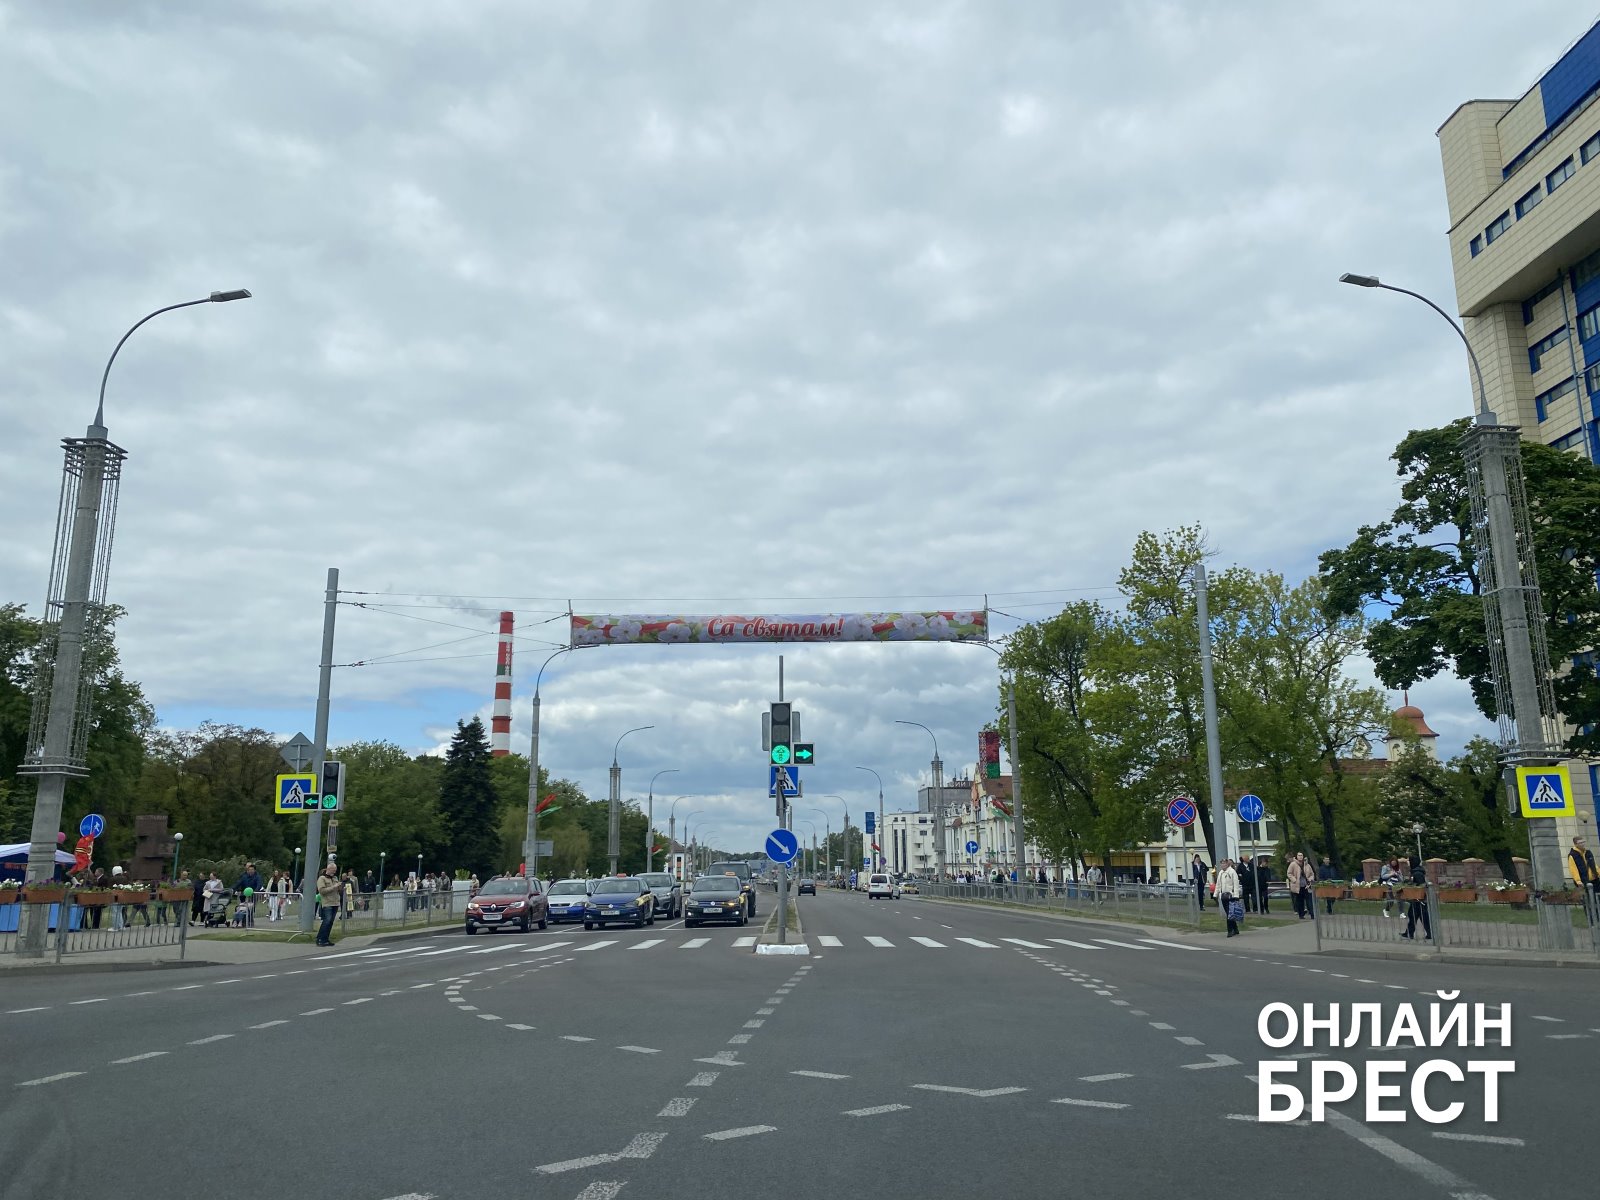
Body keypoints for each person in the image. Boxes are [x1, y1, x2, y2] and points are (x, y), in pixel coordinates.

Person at [1400, 858, 1432, 941]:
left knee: (1422, 916)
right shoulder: (1415, 872)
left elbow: (1421, 885)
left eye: (1409, 862)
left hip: (1419, 899)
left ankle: (1429, 933)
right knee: (1413, 915)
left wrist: (1411, 886)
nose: (1408, 863)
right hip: (1416, 898)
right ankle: (1409, 933)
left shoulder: (1417, 873)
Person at [314, 864, 342, 946]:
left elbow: (337, 890)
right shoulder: (322, 878)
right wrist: (334, 887)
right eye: (333, 870)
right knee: (327, 921)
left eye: (335, 870)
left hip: (335, 902)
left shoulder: (335, 878)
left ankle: (325, 939)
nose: (334, 871)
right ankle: (320, 939)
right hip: (327, 902)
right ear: (328, 869)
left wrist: (340, 887)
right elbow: (322, 891)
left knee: (331, 922)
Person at [1567, 836, 1599, 905]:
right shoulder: (1572, 855)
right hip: (1583, 882)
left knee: (1597, 899)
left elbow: (1594, 865)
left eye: (1583, 842)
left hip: (1595, 880)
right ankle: (1590, 915)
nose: (1583, 844)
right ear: (1575, 844)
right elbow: (1573, 869)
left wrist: (1598, 874)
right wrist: (1578, 881)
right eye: (1580, 843)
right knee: (1588, 901)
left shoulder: (1588, 852)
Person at [1215, 858, 1242, 937]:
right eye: (1222, 863)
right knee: (1229, 913)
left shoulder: (1232, 872)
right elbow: (1218, 884)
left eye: (1224, 863)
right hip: (1223, 896)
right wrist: (1216, 894)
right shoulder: (1221, 873)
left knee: (1230, 913)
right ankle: (1235, 928)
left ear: (1227, 864)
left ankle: (1230, 930)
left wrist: (1236, 895)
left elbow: (1236, 884)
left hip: (1231, 895)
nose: (1223, 865)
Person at [1287, 851, 1313, 920]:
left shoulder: (1307, 865)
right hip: (1298, 885)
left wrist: (1310, 880)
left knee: (1309, 900)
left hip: (1306, 885)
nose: (1300, 857)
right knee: (1300, 901)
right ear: (1296, 856)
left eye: (1301, 855)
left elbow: (1311, 874)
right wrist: (1294, 880)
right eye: (1299, 855)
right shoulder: (1293, 864)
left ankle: (1312, 914)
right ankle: (1301, 914)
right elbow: (1289, 873)